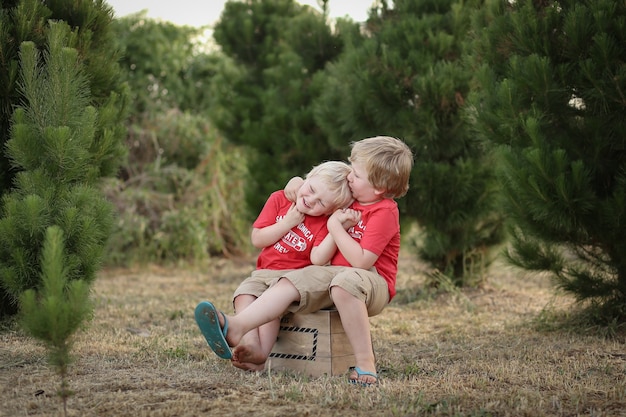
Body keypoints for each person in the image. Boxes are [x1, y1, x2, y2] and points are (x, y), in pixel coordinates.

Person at [195, 136, 413, 386]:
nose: (350, 177)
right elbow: (322, 187)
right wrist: (297, 182)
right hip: (335, 273)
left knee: (345, 282)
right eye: (351, 171)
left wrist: (335, 226)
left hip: (371, 280)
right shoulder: (351, 197)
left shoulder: (383, 211)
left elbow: (362, 261)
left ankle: (366, 364)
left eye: (356, 174)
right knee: (292, 280)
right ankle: (237, 327)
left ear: (378, 188)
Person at [195, 160, 354, 368]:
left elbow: (318, 259)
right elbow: (258, 239)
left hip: (290, 279)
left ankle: (262, 352)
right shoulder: (279, 199)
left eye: (321, 203)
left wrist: (336, 229)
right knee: (244, 294)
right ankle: (250, 343)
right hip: (263, 272)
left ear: (329, 211)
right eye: (312, 189)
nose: (310, 199)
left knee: (270, 306)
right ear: (306, 178)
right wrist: (287, 223)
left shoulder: (323, 223)